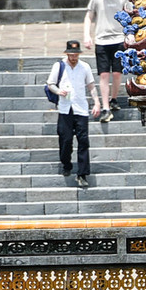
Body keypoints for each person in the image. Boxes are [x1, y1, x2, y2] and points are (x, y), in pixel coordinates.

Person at [45, 40, 99, 187]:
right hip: (65, 108)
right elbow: (50, 84)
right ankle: (66, 164)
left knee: (83, 142)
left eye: (76, 54)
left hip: (81, 108)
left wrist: (97, 102)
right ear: (67, 53)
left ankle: (82, 173)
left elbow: (91, 86)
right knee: (65, 139)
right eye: (71, 54)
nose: (73, 57)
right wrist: (58, 91)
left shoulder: (85, 67)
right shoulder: (59, 66)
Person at [82, 0, 134, 123]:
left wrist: (130, 34)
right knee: (104, 74)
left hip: (118, 39)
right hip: (102, 40)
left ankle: (114, 99)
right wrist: (87, 35)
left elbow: (131, 16)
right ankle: (105, 107)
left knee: (117, 73)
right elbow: (89, 16)